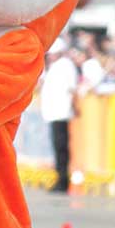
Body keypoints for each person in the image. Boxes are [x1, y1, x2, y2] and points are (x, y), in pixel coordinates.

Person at [38, 37, 77, 192]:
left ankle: (63, 181)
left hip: (61, 112)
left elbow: (71, 89)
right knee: (58, 148)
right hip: (54, 112)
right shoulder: (54, 67)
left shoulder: (66, 65)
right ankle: (60, 179)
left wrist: (74, 106)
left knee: (61, 148)